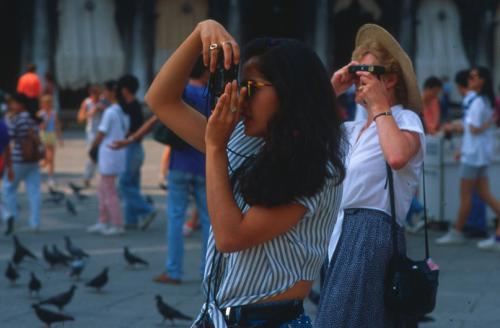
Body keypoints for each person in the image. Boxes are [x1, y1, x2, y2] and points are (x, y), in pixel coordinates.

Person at [146, 20, 345, 328]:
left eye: (250, 88)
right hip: (219, 315)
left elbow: (231, 236)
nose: (240, 98)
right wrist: (201, 33)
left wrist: (214, 149)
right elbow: (161, 100)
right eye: (240, 86)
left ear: (290, 93)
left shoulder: (314, 166)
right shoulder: (244, 137)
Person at [316, 24, 425, 327]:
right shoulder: (349, 130)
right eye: (356, 72)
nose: (358, 79)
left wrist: (379, 105)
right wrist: (331, 90)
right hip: (336, 231)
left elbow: (397, 156)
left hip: (371, 231)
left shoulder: (405, 120)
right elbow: (299, 139)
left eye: (366, 71)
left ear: (389, 79)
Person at [151, 57, 211, 284]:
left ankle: (173, 270)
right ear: (205, 72)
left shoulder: (181, 91)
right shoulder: (211, 95)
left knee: (175, 218)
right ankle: (207, 273)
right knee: (207, 221)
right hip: (204, 164)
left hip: (179, 162)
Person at [436, 67, 500, 250]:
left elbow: (472, 129)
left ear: (482, 80)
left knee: (467, 195)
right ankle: (494, 237)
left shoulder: (478, 102)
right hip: (478, 154)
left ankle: (457, 232)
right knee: (483, 194)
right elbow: (471, 129)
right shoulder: (483, 100)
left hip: (473, 156)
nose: (470, 79)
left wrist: (487, 124)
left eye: (474, 76)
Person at [87, 81, 130, 236]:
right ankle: (103, 220)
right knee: (103, 189)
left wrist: (92, 147)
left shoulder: (110, 112)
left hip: (108, 154)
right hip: (117, 153)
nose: (103, 92)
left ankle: (117, 224)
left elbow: (101, 132)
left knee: (109, 191)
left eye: (105, 89)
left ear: (112, 92)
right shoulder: (121, 111)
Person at [116, 74, 157, 230]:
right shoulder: (133, 105)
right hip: (136, 149)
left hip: (131, 148)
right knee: (132, 184)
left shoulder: (131, 107)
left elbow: (132, 129)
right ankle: (131, 220)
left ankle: (147, 210)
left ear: (125, 90)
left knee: (124, 184)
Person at [3, 93, 42, 235]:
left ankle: (13, 217)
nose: (11, 106)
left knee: (9, 188)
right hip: (33, 159)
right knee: (34, 191)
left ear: (20, 104)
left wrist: (7, 121)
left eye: (13, 103)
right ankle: (35, 222)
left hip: (19, 158)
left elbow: (10, 136)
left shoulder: (18, 119)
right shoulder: (32, 119)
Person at [77, 84, 104, 187]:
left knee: (102, 155)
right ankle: (87, 177)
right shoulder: (87, 103)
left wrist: (102, 109)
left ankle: (99, 177)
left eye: (99, 93)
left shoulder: (103, 101)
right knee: (92, 155)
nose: (98, 96)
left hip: (102, 131)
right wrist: (90, 113)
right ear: (91, 94)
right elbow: (80, 118)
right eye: (95, 94)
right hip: (91, 132)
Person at [38, 95, 63, 186]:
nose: (48, 105)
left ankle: (51, 177)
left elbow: (57, 126)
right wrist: (47, 119)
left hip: (52, 135)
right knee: (46, 158)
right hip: (44, 136)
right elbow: (41, 127)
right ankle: (38, 169)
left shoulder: (54, 113)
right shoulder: (40, 114)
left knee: (51, 158)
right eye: (46, 103)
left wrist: (60, 138)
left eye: (50, 103)